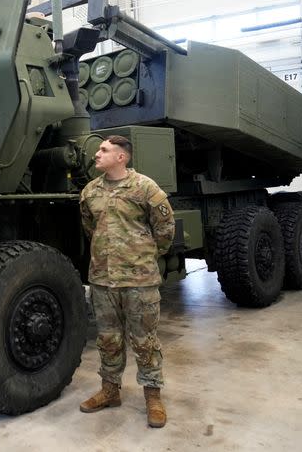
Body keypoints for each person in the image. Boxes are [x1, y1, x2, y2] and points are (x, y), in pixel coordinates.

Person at [79, 135, 176, 428]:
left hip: (139, 280)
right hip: (103, 279)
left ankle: (153, 397)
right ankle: (110, 391)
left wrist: (143, 255)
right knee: (108, 339)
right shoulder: (89, 192)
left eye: (104, 150)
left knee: (144, 341)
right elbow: (89, 228)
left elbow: (165, 229)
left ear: (122, 157)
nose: (97, 153)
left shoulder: (145, 188)